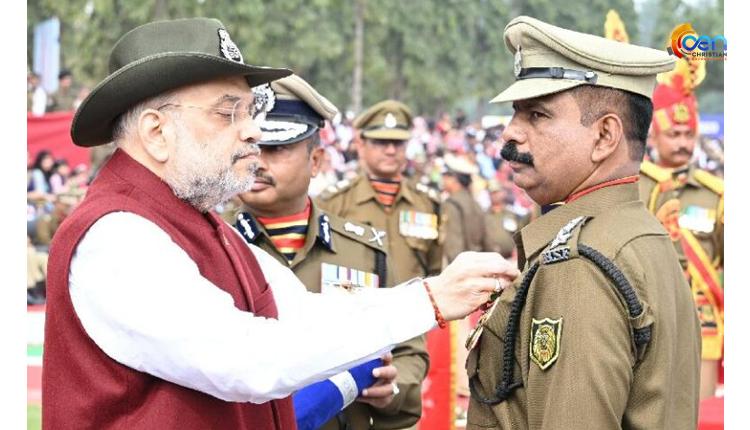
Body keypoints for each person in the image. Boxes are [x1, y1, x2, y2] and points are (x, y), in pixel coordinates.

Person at [43, 17, 518, 429]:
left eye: (249, 111)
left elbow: (304, 314)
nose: (253, 130)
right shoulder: (117, 237)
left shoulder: (201, 225)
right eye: (229, 112)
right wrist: (428, 300)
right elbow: (247, 360)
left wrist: (433, 295)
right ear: (157, 132)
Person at [465, 16, 700, 429]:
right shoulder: (643, 234)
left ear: (605, 136)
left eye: (537, 115)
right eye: (517, 113)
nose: (511, 133)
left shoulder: (579, 265)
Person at [234, 74, 428, 429]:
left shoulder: (364, 251)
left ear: (316, 161)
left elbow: (407, 348)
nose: (258, 161)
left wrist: (392, 386)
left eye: (276, 149)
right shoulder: (205, 246)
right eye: (251, 146)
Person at [638, 56, 724, 400]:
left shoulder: (715, 193)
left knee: (701, 413)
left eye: (689, 134)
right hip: (648, 315)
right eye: (674, 134)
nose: (683, 142)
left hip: (701, 317)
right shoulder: (637, 186)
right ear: (654, 134)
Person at [317, 100, 443, 285]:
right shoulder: (334, 202)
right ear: (361, 145)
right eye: (381, 142)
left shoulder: (427, 202)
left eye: (398, 143)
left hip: (415, 302)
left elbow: (436, 269)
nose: (391, 150)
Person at [440, 153, 490, 266]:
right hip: (477, 265)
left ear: (454, 179)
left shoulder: (452, 204)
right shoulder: (475, 204)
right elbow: (487, 240)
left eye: (446, 176)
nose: (443, 179)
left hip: (461, 267)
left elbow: (454, 245)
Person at [483, 179, 529, 259]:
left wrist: (517, 250)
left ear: (503, 193)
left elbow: (519, 233)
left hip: (511, 258)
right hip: (489, 258)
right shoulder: (483, 215)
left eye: (497, 192)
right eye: (492, 193)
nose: (494, 195)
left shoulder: (511, 214)